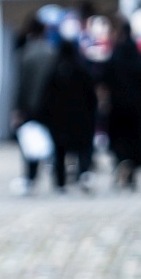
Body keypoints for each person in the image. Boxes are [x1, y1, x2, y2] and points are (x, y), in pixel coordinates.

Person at [44, 24, 98, 192]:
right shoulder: (82, 70)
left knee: (60, 151)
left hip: (59, 120)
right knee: (83, 148)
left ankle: (60, 182)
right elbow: (91, 96)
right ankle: (84, 175)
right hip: (80, 118)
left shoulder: (54, 71)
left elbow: (48, 97)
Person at [103, 16, 141, 190]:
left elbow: (106, 79)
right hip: (137, 105)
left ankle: (123, 164)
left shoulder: (114, 56)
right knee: (134, 139)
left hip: (117, 106)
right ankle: (132, 170)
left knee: (120, 139)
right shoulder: (140, 57)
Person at [12, 17, 58, 194]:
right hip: (50, 103)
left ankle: (31, 176)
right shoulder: (52, 52)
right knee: (51, 138)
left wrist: (18, 107)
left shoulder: (26, 53)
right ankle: (55, 173)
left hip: (30, 104)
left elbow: (21, 83)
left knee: (29, 141)